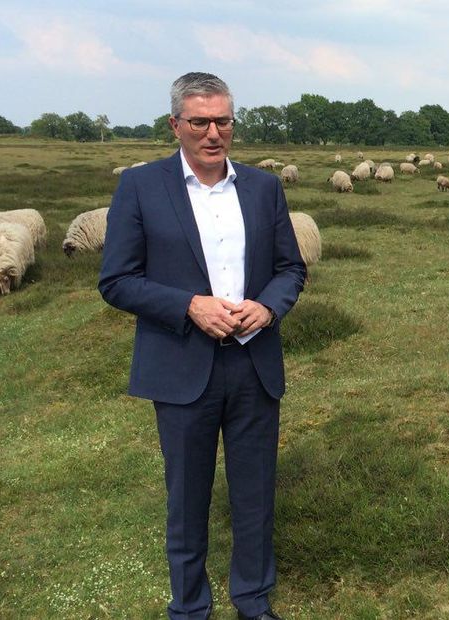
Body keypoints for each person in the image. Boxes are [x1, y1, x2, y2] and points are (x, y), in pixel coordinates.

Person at [99, 72, 306, 620]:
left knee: (255, 494)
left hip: (253, 364)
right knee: (187, 499)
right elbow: (116, 280)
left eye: (223, 121)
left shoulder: (265, 187)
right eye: (199, 122)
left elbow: (290, 268)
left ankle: (253, 600)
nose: (213, 133)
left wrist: (267, 306)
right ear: (175, 125)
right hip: (181, 366)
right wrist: (191, 306)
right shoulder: (140, 186)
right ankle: (189, 607)